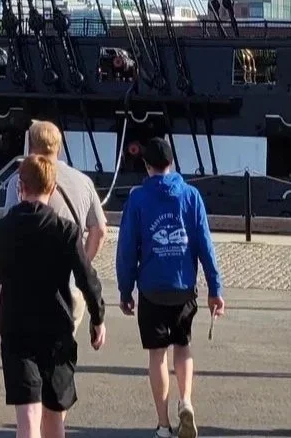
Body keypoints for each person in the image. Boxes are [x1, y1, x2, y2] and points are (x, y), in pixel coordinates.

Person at [0, 156, 108, 438]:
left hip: (16, 329)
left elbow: (4, 273)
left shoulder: (2, 230)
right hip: (55, 330)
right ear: (53, 187)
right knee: (55, 415)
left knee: (27, 418)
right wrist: (97, 316)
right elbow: (86, 277)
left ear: (21, 186)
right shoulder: (66, 231)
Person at [116, 136, 225, 438]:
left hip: (151, 287)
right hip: (184, 286)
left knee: (156, 356)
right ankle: (186, 400)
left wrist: (125, 291)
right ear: (172, 163)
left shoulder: (137, 198)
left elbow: (127, 249)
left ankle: (163, 425)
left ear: (146, 164)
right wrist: (215, 288)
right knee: (183, 345)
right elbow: (205, 245)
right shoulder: (191, 195)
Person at [0, 121, 109, 260]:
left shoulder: (20, 180)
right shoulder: (84, 181)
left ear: (30, 146)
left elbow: (7, 234)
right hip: (67, 274)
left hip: (26, 273)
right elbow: (99, 231)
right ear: (59, 147)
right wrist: (82, 266)